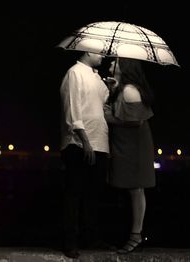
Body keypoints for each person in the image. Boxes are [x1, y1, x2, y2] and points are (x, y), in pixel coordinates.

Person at [59, 52, 111, 258]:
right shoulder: (74, 73)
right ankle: (70, 241)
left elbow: (102, 102)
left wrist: (111, 87)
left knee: (93, 193)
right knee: (74, 193)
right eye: (99, 52)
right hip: (78, 144)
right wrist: (85, 141)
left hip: (100, 141)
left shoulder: (96, 76)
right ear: (89, 51)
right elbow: (71, 111)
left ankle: (91, 237)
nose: (103, 56)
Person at [104, 57, 155, 254]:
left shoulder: (130, 90)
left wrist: (108, 116)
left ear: (123, 66)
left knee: (135, 189)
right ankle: (132, 233)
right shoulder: (124, 88)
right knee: (132, 188)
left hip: (134, 145)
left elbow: (134, 121)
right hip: (128, 144)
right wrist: (113, 90)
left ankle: (135, 234)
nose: (109, 65)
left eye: (114, 62)